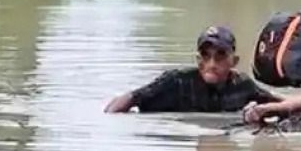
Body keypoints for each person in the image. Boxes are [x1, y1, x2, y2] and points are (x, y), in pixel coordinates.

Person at [104, 26, 280, 113]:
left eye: (220, 56)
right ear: (198, 60)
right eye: (206, 56)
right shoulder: (176, 81)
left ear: (233, 62)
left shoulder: (242, 86)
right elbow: (129, 98)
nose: (212, 64)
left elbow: (279, 103)